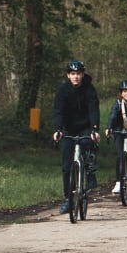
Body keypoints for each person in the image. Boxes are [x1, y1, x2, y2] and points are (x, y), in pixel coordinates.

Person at [52, 60, 101, 214]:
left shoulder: (89, 89)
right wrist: (58, 129)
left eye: (78, 74)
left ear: (82, 74)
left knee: (89, 142)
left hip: (86, 127)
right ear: (68, 75)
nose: (76, 77)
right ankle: (68, 199)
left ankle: (90, 172)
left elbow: (94, 109)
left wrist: (95, 129)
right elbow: (58, 111)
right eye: (73, 74)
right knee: (67, 166)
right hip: (69, 129)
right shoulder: (62, 91)